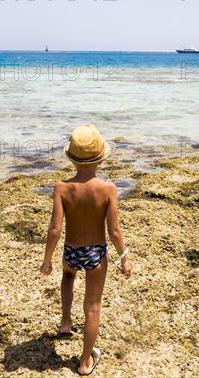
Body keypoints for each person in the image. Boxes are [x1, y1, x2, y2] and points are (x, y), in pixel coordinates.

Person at [40, 124, 132, 376]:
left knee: (68, 276)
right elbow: (114, 231)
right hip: (96, 254)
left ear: (72, 158)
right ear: (100, 159)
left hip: (71, 250)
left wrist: (46, 260)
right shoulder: (108, 189)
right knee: (93, 307)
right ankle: (83, 363)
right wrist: (124, 258)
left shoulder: (61, 187)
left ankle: (66, 322)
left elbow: (55, 229)